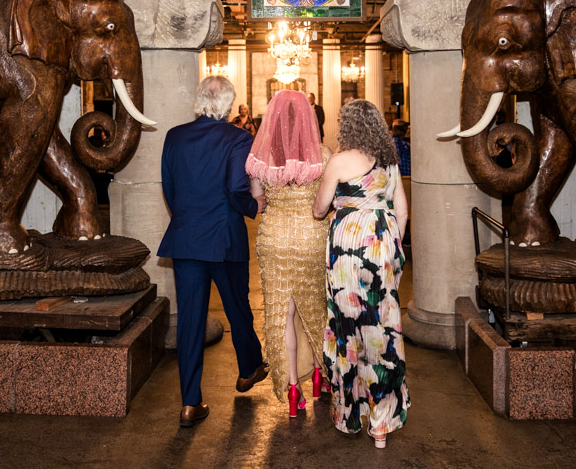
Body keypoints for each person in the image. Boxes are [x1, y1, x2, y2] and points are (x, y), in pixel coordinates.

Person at [159, 76, 269, 428]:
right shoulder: (238, 138)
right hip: (224, 239)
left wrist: (189, 219)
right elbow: (237, 188)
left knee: (190, 321)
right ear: (229, 104)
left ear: (200, 99)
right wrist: (256, 205)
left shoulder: (174, 136)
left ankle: (190, 404)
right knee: (238, 308)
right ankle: (248, 368)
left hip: (188, 238)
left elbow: (170, 188)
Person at [313, 99, 410, 449]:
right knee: (381, 324)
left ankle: (351, 412)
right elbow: (401, 209)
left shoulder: (339, 161)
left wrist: (341, 202)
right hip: (381, 244)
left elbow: (319, 208)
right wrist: (393, 252)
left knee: (347, 322)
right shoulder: (390, 162)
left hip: (347, 251)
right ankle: (381, 422)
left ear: (347, 127)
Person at [246, 90, 332, 418]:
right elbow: (326, 201)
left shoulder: (260, 158)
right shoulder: (323, 155)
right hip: (311, 236)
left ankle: (293, 386)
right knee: (316, 308)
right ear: (309, 120)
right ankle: (322, 378)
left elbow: (258, 199)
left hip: (275, 237)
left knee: (283, 313)